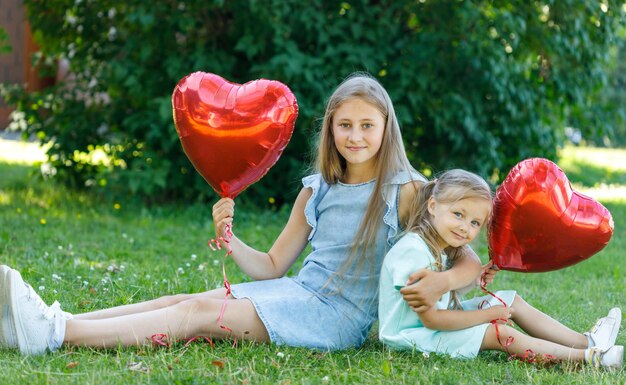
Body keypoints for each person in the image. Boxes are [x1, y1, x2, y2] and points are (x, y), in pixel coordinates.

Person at [0, 73, 481, 355]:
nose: (355, 136)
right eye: (344, 125)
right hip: (294, 291)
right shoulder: (316, 189)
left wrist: (441, 282)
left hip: (335, 321)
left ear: (386, 129)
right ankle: (56, 318)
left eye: (367, 126)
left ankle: (52, 335)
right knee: (182, 297)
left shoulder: (408, 190)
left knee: (195, 314)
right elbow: (273, 267)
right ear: (330, 129)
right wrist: (232, 241)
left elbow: (469, 260)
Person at [378, 169, 623, 368]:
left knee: (510, 300)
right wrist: (487, 316)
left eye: (474, 222)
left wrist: (474, 280)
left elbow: (442, 299)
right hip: (413, 337)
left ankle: (586, 341)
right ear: (432, 206)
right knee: (499, 333)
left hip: (429, 328)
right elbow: (433, 319)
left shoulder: (439, 245)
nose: (465, 227)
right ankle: (591, 358)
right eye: (458, 214)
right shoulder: (413, 251)